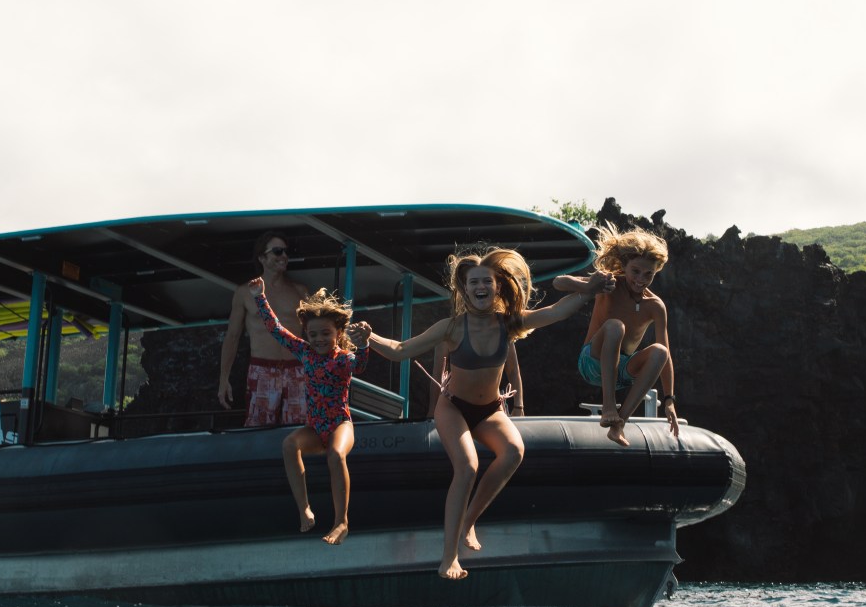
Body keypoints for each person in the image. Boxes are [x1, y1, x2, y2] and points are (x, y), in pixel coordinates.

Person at [363, 248, 611, 579]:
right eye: (473, 283)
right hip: (454, 408)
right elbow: (400, 351)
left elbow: (557, 312)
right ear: (464, 290)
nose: (481, 287)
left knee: (513, 452)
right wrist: (369, 337)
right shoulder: (450, 328)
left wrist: (589, 288)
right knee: (467, 467)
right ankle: (449, 556)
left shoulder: (509, 323)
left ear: (497, 288)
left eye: (487, 282)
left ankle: (469, 522)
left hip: (490, 409)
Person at [251, 286, 374, 544]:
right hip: (315, 427)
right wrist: (260, 297)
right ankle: (304, 508)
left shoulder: (343, 358)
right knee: (289, 444)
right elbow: (275, 329)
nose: (318, 339)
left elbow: (360, 365)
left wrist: (363, 344)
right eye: (313, 334)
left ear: (338, 333)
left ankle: (342, 522)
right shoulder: (305, 352)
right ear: (306, 334)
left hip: (340, 423)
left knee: (336, 454)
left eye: (326, 333)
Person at [582, 226, 678, 445]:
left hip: (621, 372)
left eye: (648, 274)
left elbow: (666, 354)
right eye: (635, 271)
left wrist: (669, 399)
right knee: (615, 326)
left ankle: (619, 424)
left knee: (660, 352)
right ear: (624, 265)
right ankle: (609, 406)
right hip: (591, 361)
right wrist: (588, 285)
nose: (640, 279)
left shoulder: (655, 306)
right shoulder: (609, 284)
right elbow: (560, 282)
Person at [217, 230, 308, 428]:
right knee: (258, 429)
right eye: (277, 251)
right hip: (262, 369)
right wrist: (224, 379)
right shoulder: (245, 292)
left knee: (299, 430)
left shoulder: (300, 291)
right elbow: (232, 337)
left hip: (297, 369)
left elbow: (317, 334)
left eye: (285, 251)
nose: (284, 256)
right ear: (262, 258)